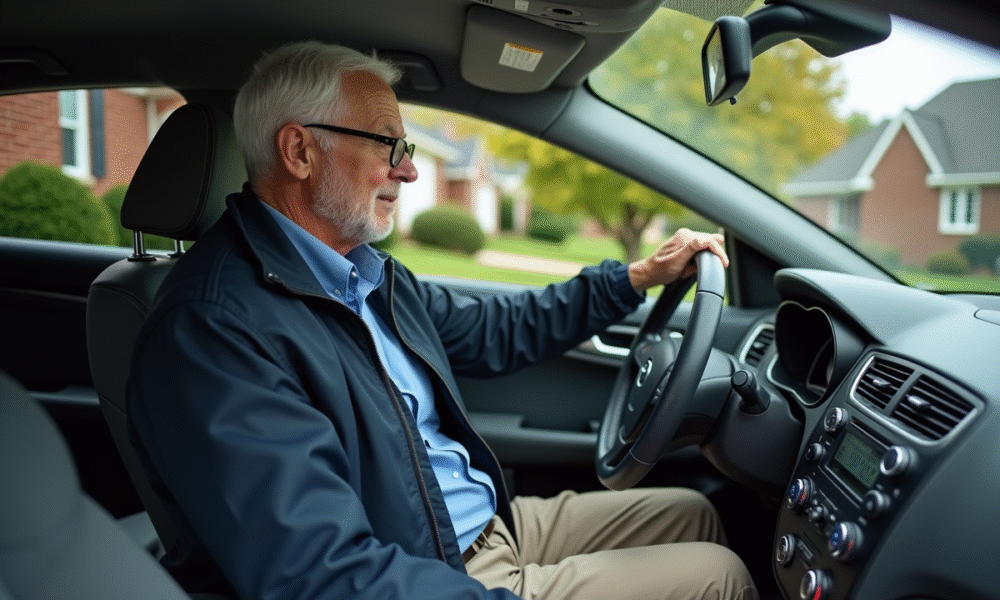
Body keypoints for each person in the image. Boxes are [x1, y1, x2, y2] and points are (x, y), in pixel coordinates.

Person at [127, 41, 758, 600]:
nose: (407, 169)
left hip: (474, 525)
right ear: (299, 151)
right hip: (431, 568)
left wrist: (637, 277)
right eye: (388, 145)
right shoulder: (214, 331)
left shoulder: (364, 275)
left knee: (693, 512)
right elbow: (320, 575)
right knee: (718, 576)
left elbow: (496, 328)